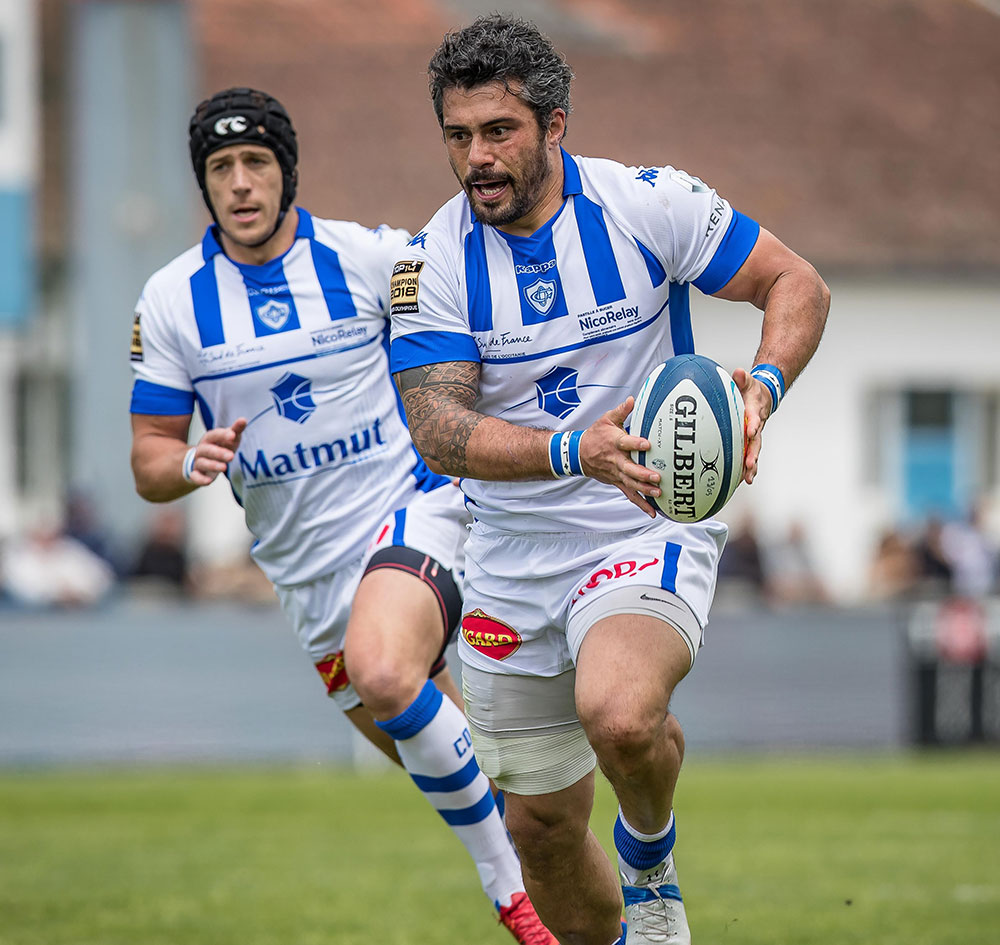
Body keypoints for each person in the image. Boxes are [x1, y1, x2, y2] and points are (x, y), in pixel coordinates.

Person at [389, 16, 830, 945]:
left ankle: (650, 857)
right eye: (458, 136)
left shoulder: (648, 204)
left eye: (499, 131)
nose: (477, 158)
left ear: (554, 126)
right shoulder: (431, 264)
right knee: (539, 830)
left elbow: (797, 284)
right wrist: (569, 449)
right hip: (509, 552)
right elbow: (438, 429)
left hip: (645, 522)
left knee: (620, 713)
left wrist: (760, 390)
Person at [127, 87, 555, 944]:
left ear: (287, 172)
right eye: (221, 167)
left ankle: (512, 896)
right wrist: (187, 462)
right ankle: (588, 903)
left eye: (256, 163)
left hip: (413, 514)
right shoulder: (171, 300)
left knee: (387, 672)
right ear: (203, 183)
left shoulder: (367, 258)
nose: (240, 183)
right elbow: (148, 458)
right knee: (486, 776)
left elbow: (471, 292)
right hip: (308, 579)